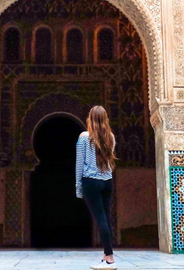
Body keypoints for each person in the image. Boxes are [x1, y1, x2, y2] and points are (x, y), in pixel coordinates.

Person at [75, 105, 117, 270]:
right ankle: (106, 257)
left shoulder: (84, 137)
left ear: (90, 119)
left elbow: (79, 164)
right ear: (105, 119)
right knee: (105, 219)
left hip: (91, 182)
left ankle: (110, 259)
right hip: (107, 181)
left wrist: (78, 188)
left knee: (101, 220)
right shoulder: (111, 138)